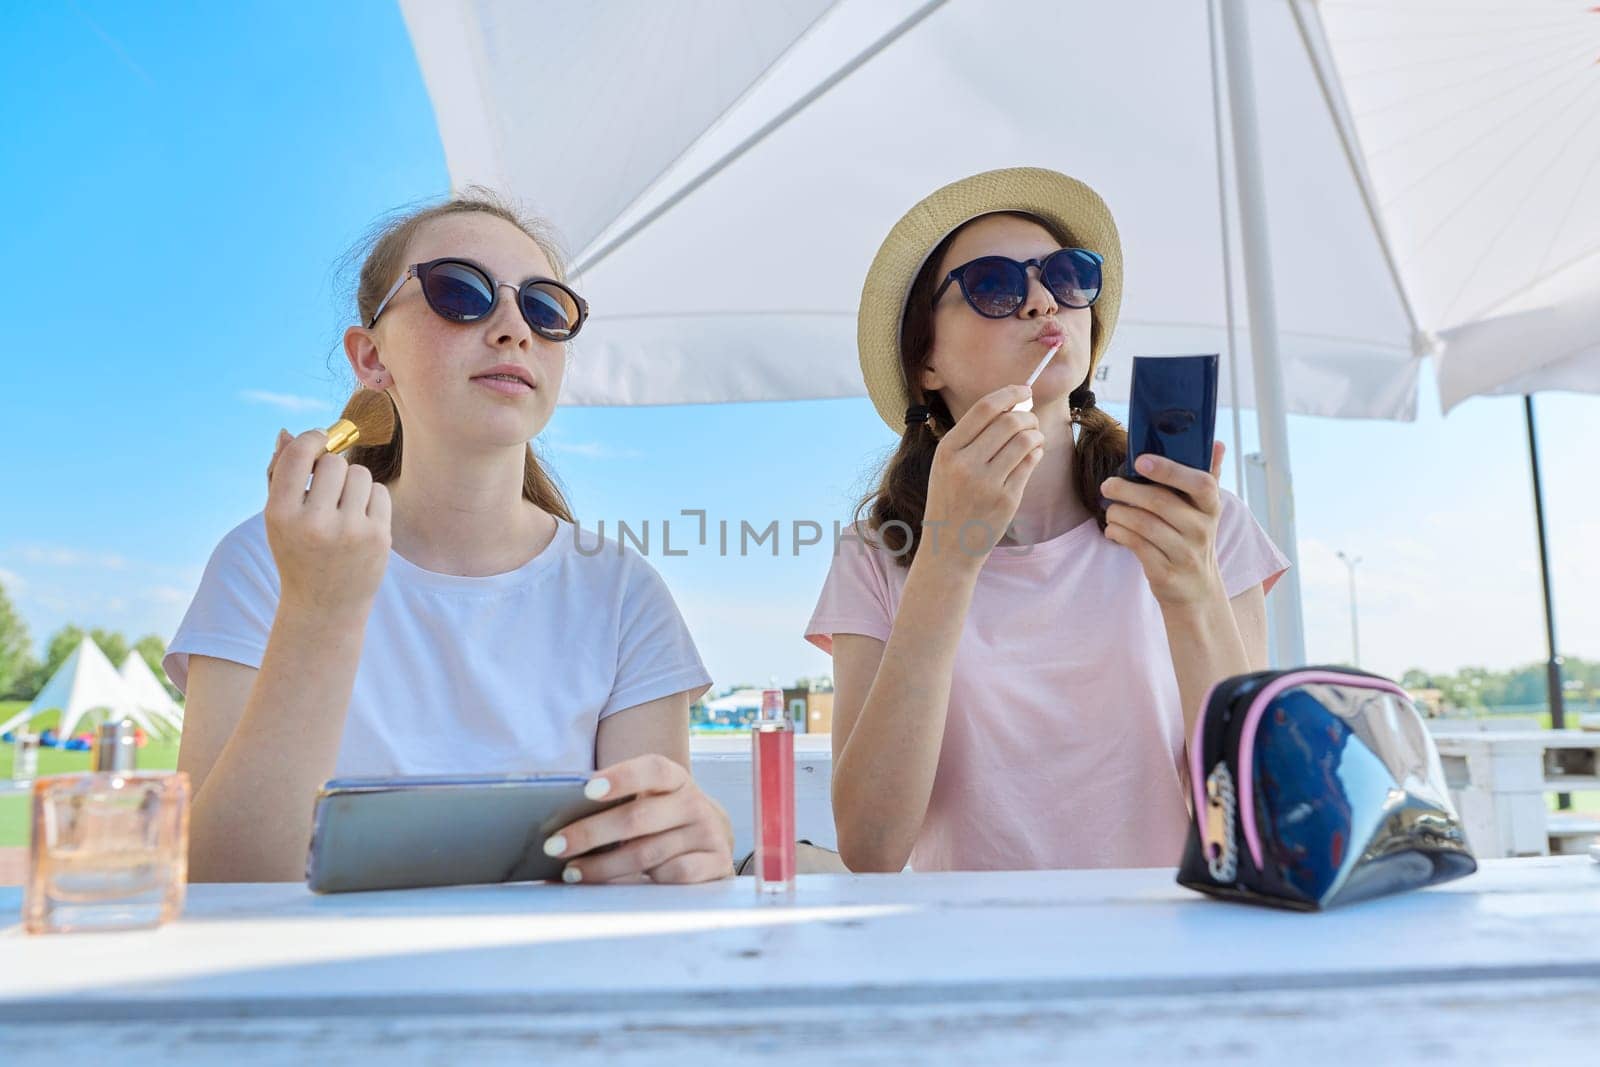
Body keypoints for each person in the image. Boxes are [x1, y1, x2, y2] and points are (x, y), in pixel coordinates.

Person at [168, 190, 733, 884]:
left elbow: (639, 880)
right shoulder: (264, 563)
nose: (512, 328)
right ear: (372, 358)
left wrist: (683, 846)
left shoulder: (624, 593)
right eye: (459, 292)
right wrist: (320, 607)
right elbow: (215, 882)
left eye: (545, 307)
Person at [806, 168, 1290, 873]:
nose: (1041, 302)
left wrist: (1190, 591)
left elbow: (1254, 815)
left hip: (1173, 948)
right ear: (926, 364)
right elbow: (872, 845)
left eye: (1067, 276)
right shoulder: (877, 553)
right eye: (995, 286)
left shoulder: (1200, 520)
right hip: (970, 962)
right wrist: (945, 558)